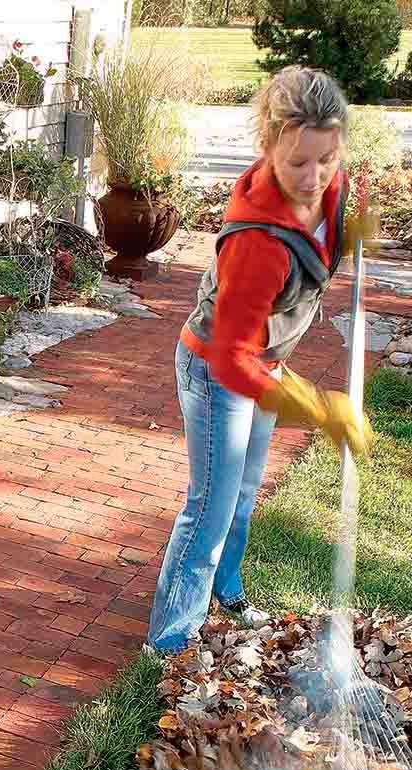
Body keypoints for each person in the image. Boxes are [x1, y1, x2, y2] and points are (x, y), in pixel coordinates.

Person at [146, 65, 375, 656]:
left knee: (243, 494)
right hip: (216, 370)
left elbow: (336, 201)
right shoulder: (257, 244)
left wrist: (350, 232)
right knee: (210, 506)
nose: (314, 177)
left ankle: (226, 593)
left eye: (327, 159)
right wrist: (317, 407)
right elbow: (230, 359)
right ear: (268, 144)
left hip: (265, 361)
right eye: (298, 163)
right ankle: (169, 642)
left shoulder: (329, 182)